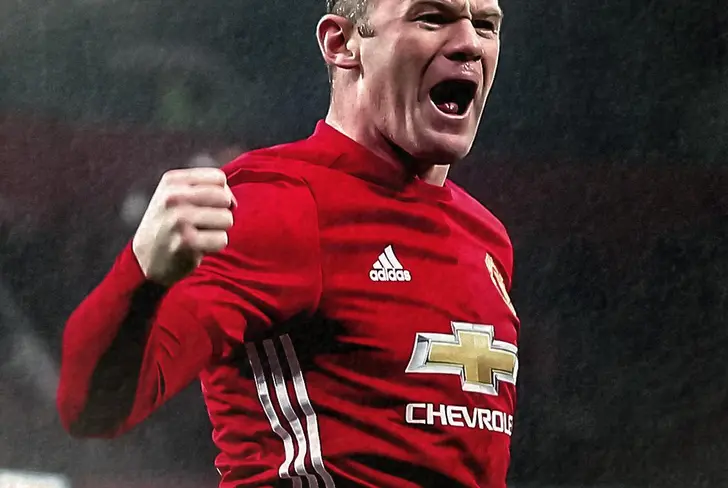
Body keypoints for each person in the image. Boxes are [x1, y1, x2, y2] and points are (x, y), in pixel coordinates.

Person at [57, 0, 519, 486]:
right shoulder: (278, 205)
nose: (469, 44)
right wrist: (142, 272)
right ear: (342, 44)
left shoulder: (486, 238)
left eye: (485, 25)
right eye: (432, 18)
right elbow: (94, 408)